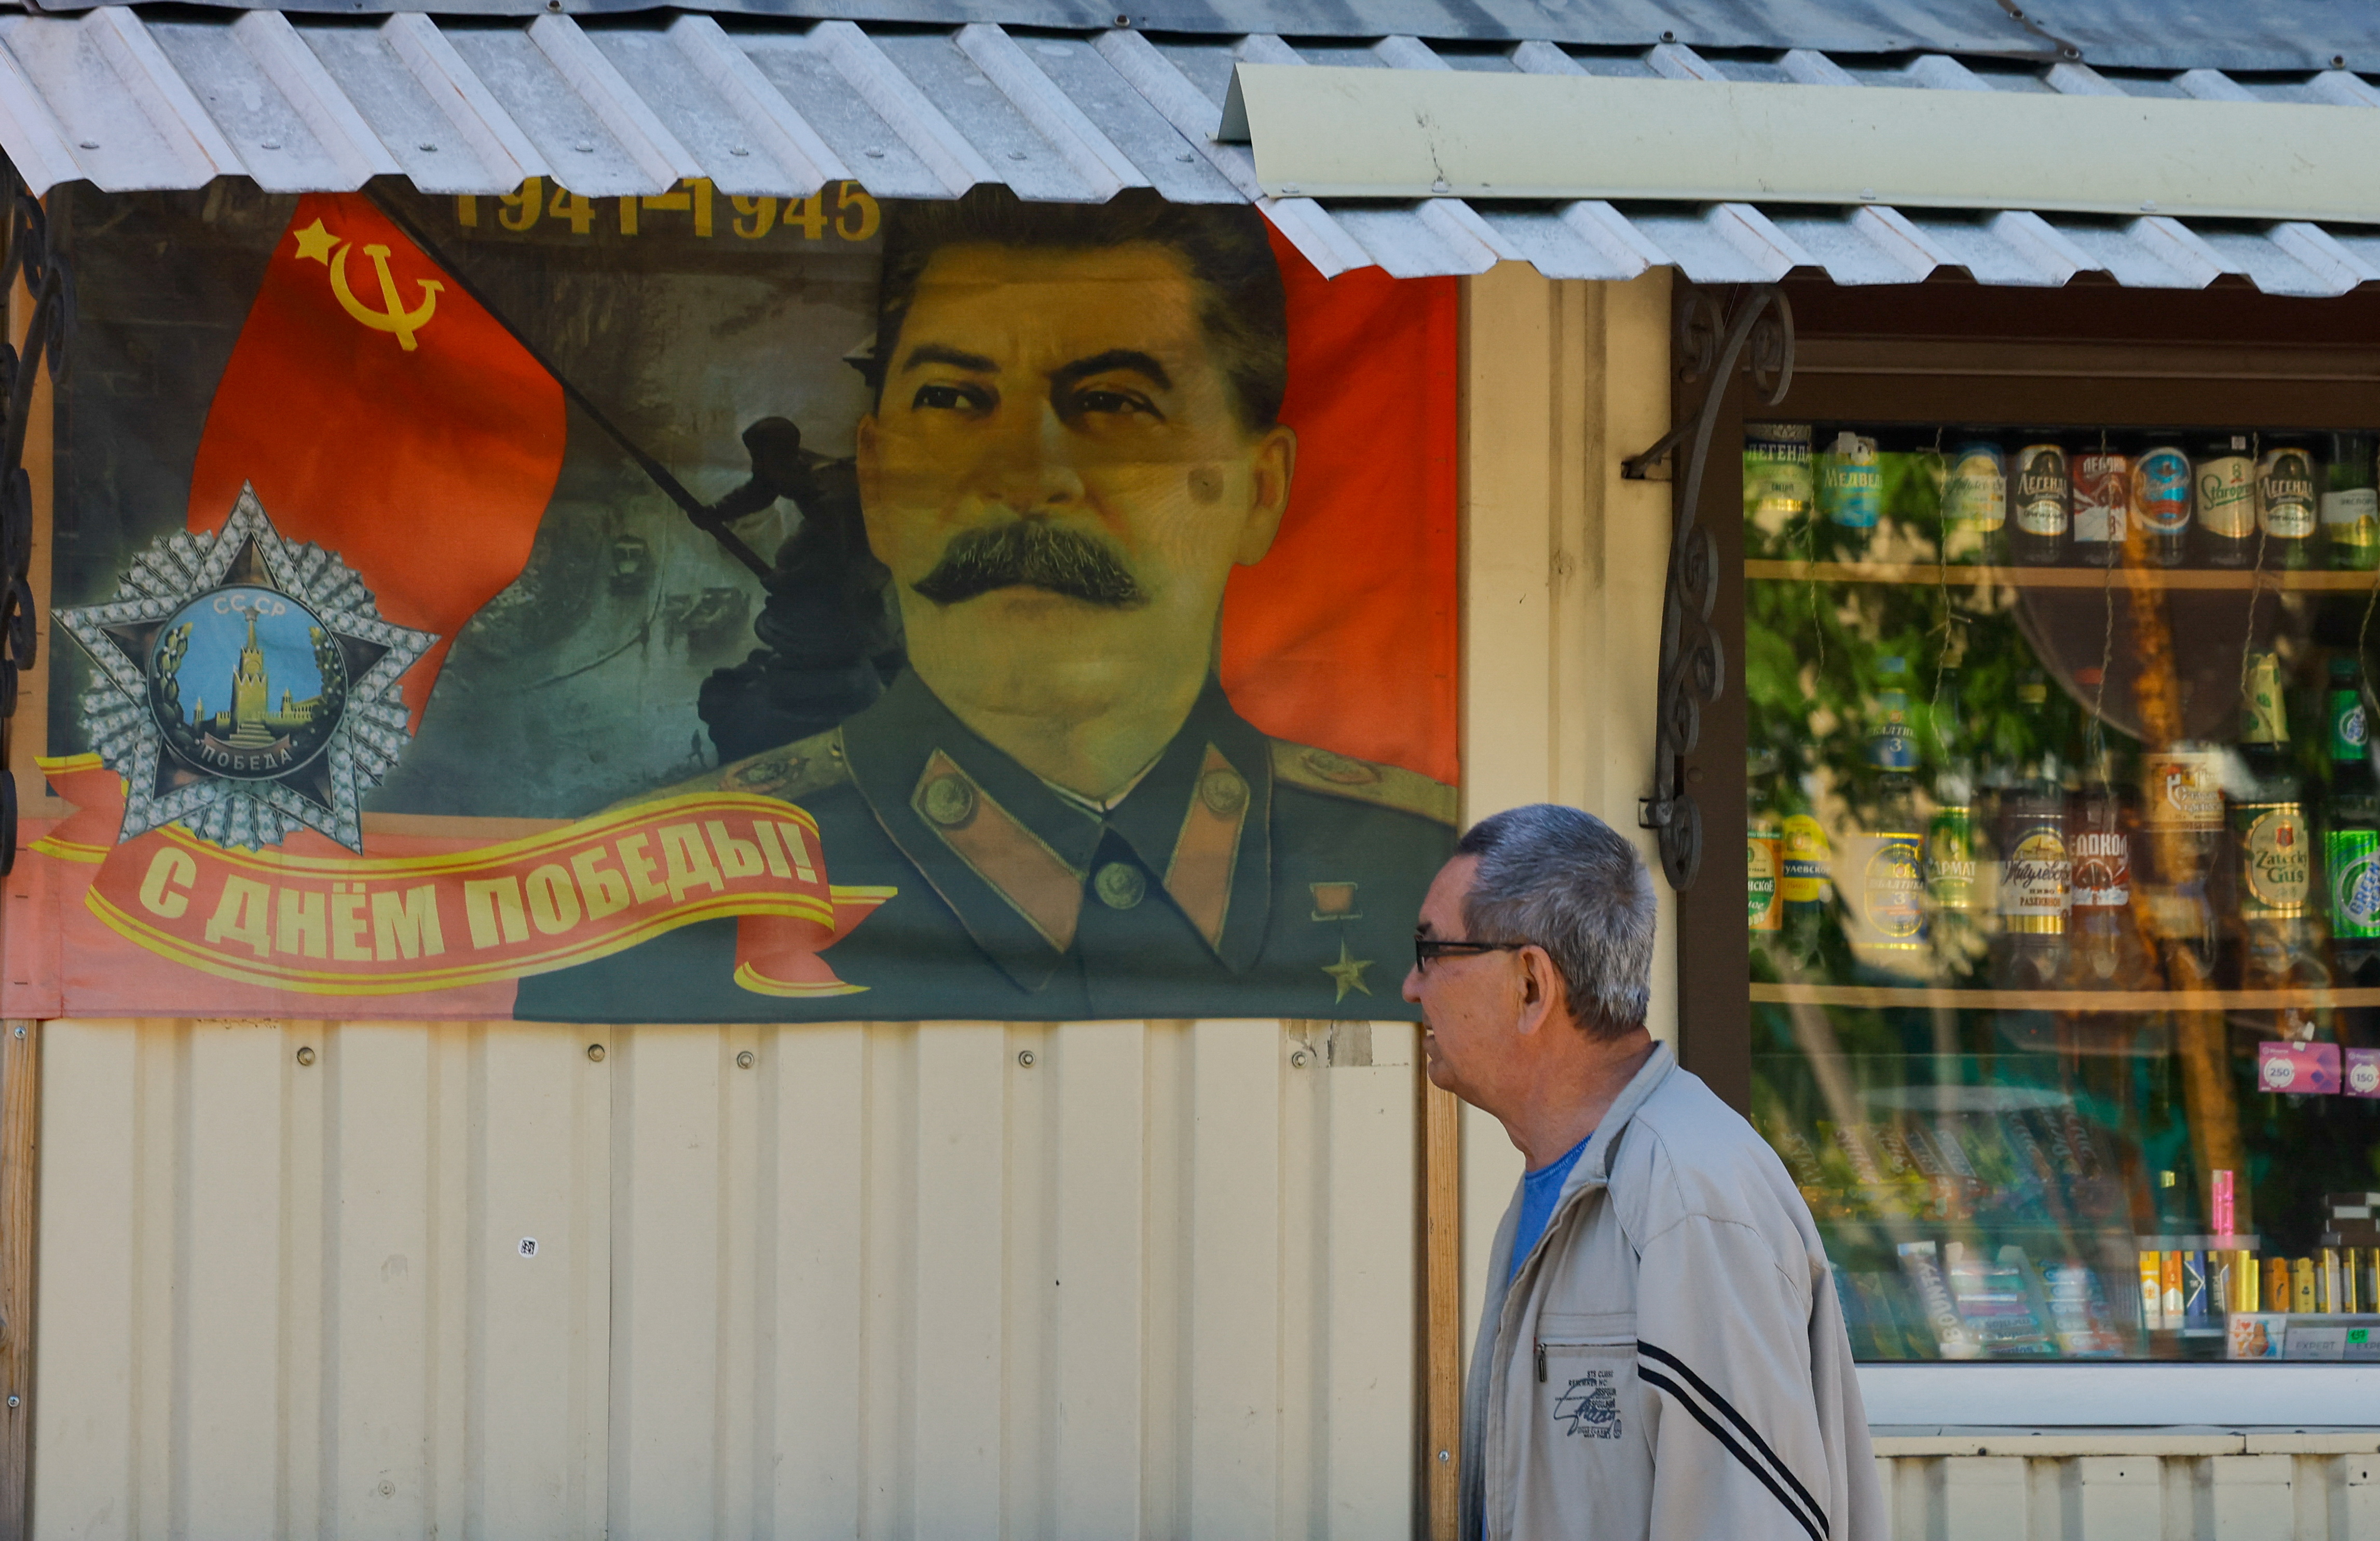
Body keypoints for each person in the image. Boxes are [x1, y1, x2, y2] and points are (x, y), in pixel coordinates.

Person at [516, 189, 1453, 1022]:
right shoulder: (642, 914)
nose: (1025, 477)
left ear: (1260, 489)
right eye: (956, 398)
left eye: (1115, 403)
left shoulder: (1424, 879)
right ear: (878, 481)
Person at [1404, 804, 1882, 1541]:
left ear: (1531, 984)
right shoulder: (1573, 1183)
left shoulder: (1690, 1203)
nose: (1412, 985)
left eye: (1431, 951)